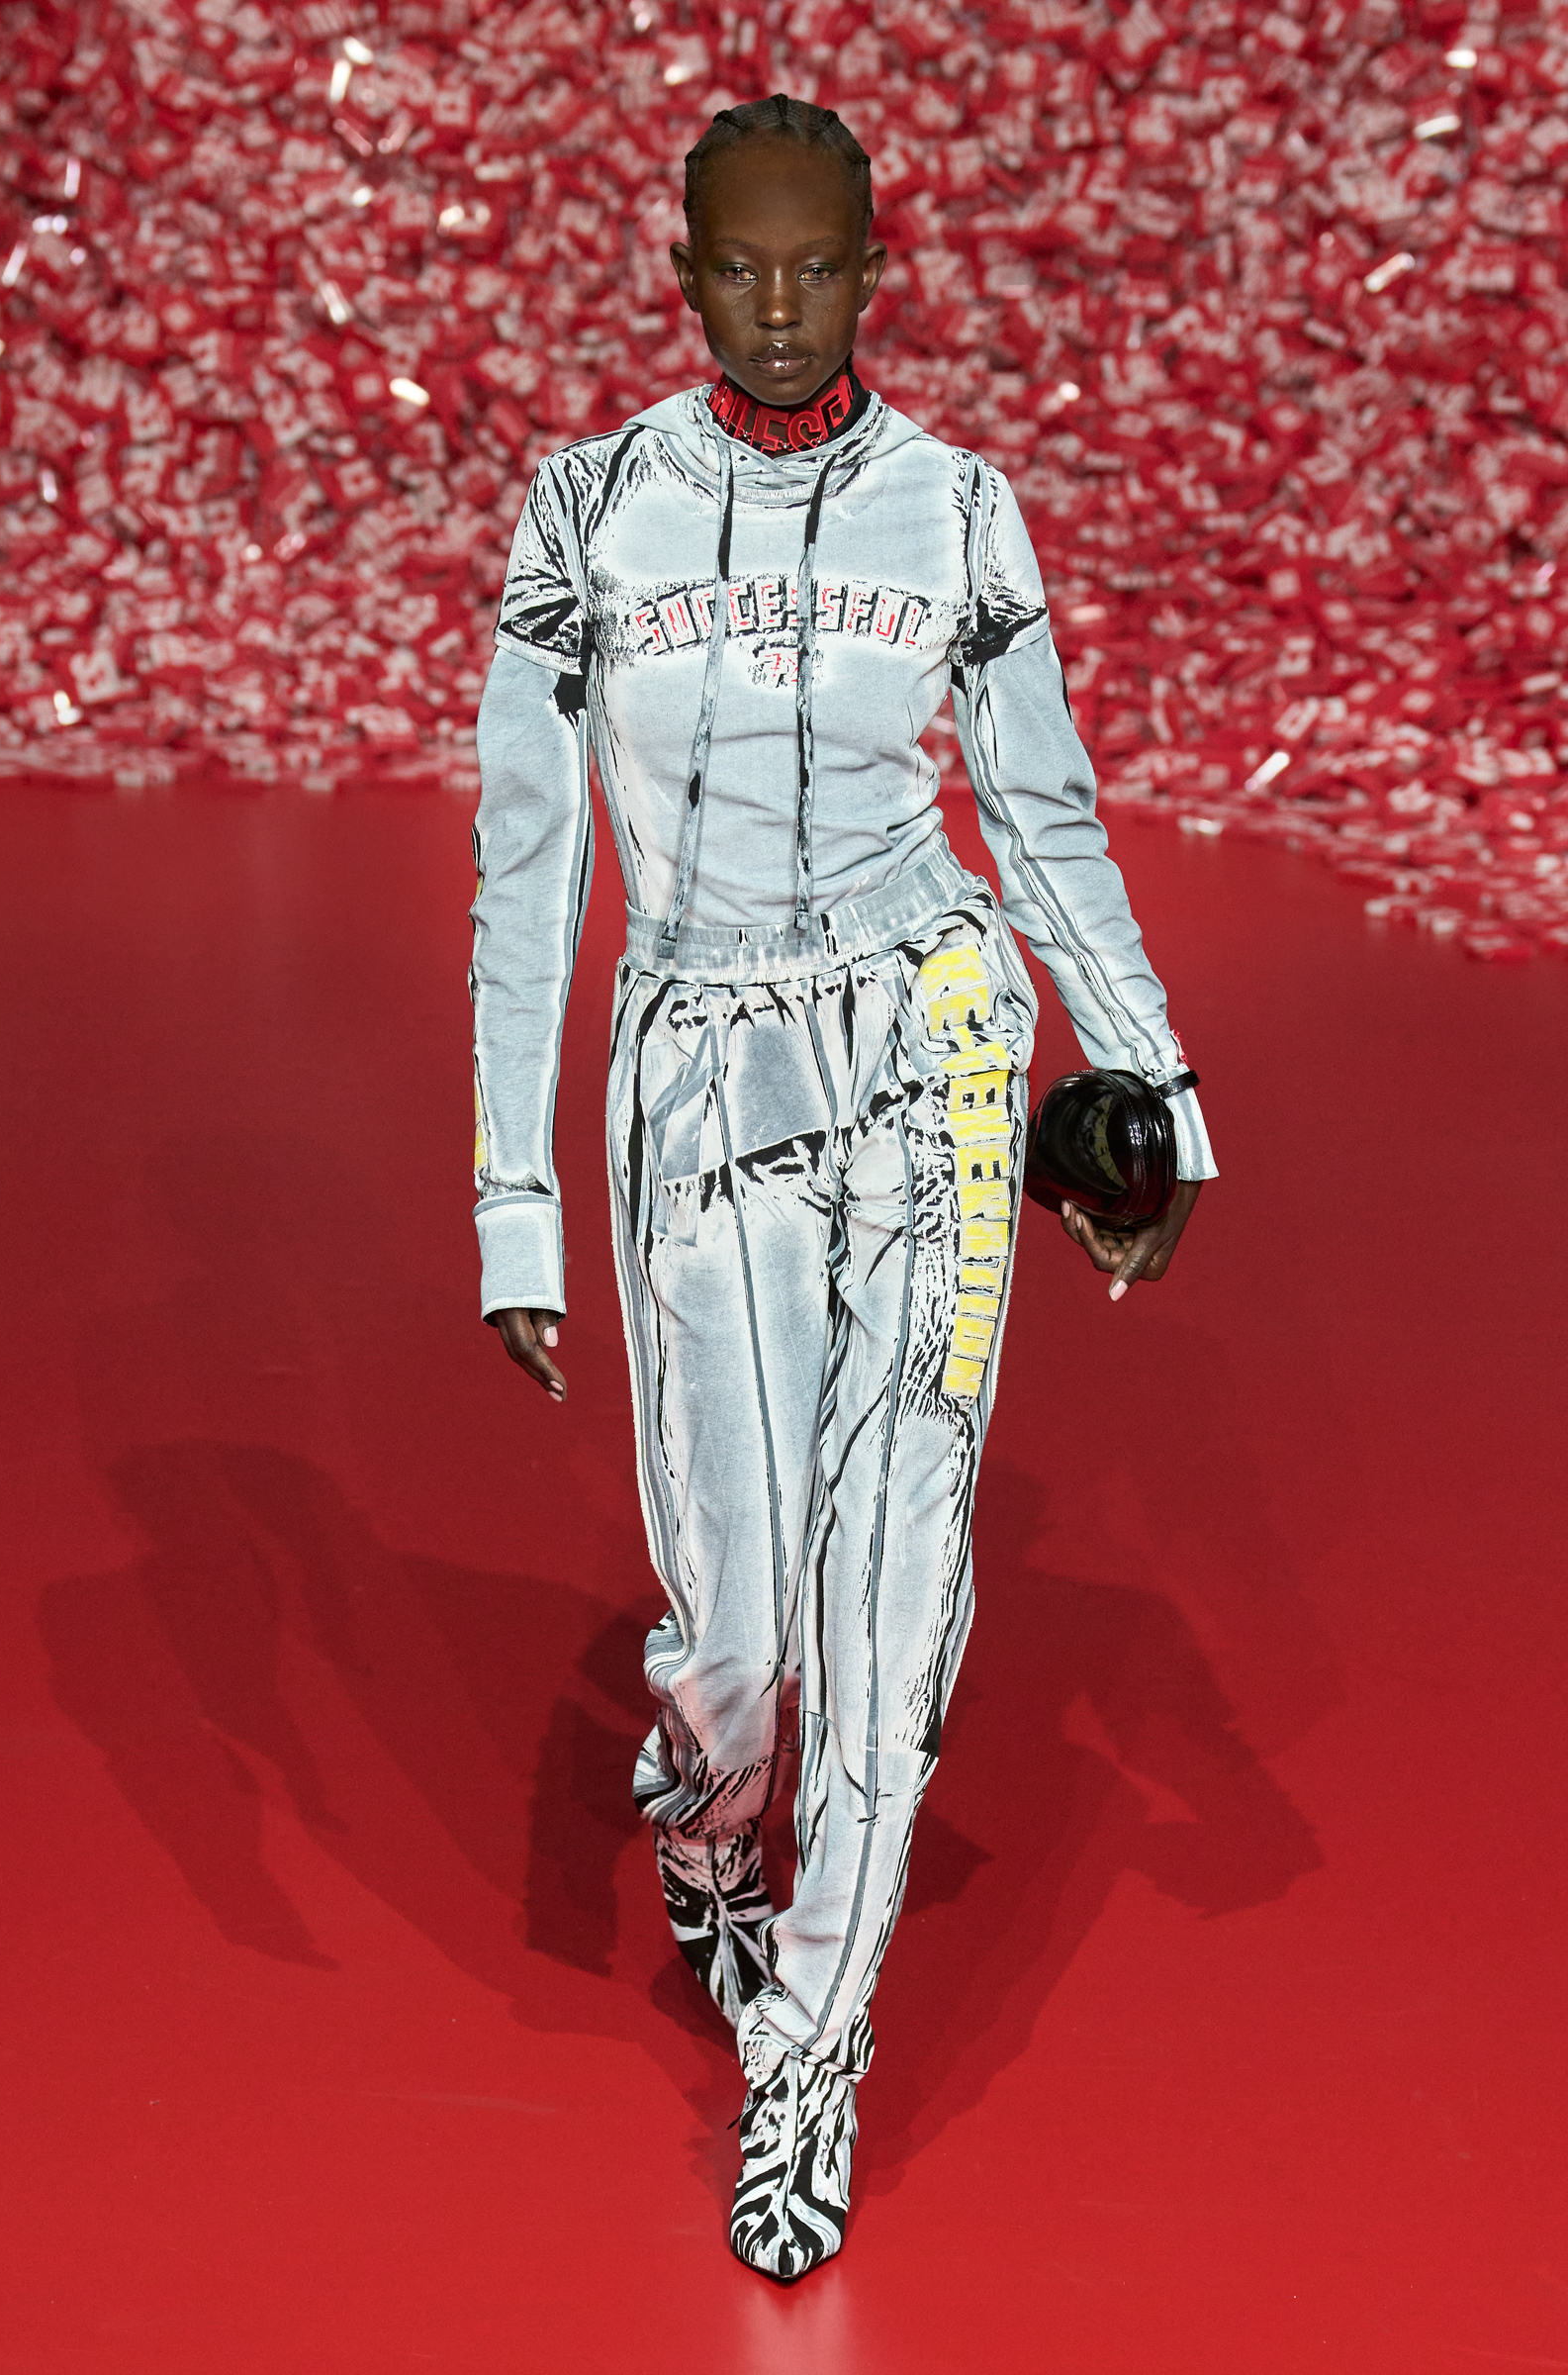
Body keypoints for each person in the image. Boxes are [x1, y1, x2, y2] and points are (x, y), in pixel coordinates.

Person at [469, 94, 1216, 2282]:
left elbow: (1045, 817)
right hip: (697, 1060)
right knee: (736, 1631)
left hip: (930, 1046)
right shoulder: (586, 513)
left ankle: (810, 2049)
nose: (781, 307)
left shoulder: (961, 511)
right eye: (742, 268)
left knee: (889, 1593)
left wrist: (1159, 1094)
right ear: (684, 273)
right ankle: (709, 1815)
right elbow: (526, 865)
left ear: (876, 273)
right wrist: (512, 1196)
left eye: (820, 268)